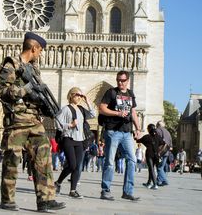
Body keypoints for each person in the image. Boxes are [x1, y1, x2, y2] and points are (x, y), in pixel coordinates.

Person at [0, 32, 65, 212]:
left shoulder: (34, 69)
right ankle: (7, 200)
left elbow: (38, 95)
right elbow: (4, 92)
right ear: (34, 48)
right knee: (12, 161)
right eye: (40, 50)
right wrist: (26, 89)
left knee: (44, 158)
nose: (40, 54)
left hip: (34, 121)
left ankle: (46, 199)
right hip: (17, 121)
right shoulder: (11, 65)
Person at [98, 70, 142, 201]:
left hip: (127, 132)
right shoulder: (111, 92)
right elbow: (102, 108)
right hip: (112, 131)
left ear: (127, 81)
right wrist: (117, 114)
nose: (120, 82)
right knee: (110, 162)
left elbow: (133, 112)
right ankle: (105, 190)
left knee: (132, 160)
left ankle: (127, 191)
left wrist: (138, 128)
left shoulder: (130, 94)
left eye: (122, 80)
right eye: (118, 80)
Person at [54, 87, 95, 199]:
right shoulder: (65, 109)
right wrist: (70, 125)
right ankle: (58, 182)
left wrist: (87, 101)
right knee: (72, 165)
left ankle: (73, 190)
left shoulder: (81, 109)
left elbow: (93, 115)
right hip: (69, 139)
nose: (79, 97)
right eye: (77, 95)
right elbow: (57, 123)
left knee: (77, 167)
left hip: (80, 140)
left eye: (81, 95)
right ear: (71, 95)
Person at [136, 124, 164, 190]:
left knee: (151, 169)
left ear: (149, 129)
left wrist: (136, 134)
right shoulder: (158, 137)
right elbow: (164, 143)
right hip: (156, 155)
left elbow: (137, 140)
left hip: (149, 155)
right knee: (151, 169)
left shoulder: (147, 137)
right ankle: (149, 183)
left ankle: (155, 184)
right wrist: (160, 151)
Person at [155, 121, 172, 185]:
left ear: (158, 125)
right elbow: (171, 145)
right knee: (161, 167)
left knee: (159, 167)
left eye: (156, 124)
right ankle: (159, 181)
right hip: (166, 152)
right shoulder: (168, 132)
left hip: (160, 152)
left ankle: (164, 180)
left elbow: (156, 141)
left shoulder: (157, 130)